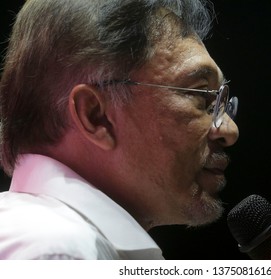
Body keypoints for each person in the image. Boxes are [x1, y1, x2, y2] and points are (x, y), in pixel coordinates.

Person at [0, 0, 239, 259]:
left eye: (223, 103)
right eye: (202, 97)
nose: (230, 130)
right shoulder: (57, 249)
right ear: (96, 116)